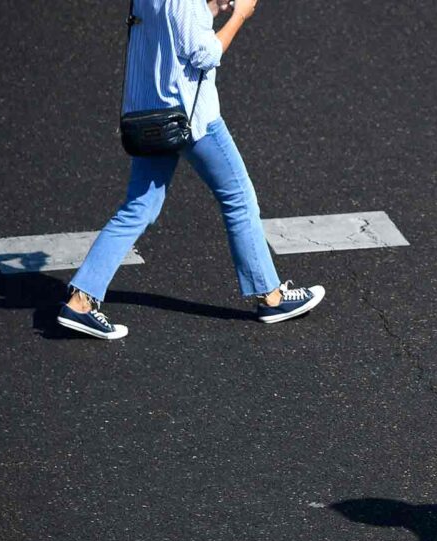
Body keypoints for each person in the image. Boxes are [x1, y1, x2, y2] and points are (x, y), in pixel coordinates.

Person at [58, 0, 324, 340]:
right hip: (189, 116)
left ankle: (80, 301)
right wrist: (240, 16)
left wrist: (211, 9)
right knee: (238, 197)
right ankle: (270, 296)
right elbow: (204, 54)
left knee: (139, 207)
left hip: (150, 112)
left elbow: (171, 29)